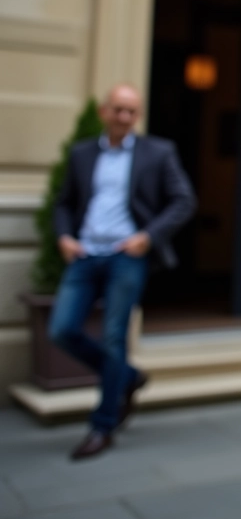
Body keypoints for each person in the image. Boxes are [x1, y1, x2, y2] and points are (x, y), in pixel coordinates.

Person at [51, 84, 196, 459]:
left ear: (139, 115)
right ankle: (127, 377)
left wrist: (148, 237)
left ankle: (103, 425)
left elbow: (184, 200)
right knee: (62, 329)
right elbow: (64, 202)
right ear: (104, 112)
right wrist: (64, 236)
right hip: (84, 254)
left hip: (126, 256)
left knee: (115, 336)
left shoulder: (158, 152)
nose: (125, 117)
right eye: (118, 110)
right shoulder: (82, 154)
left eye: (132, 111)